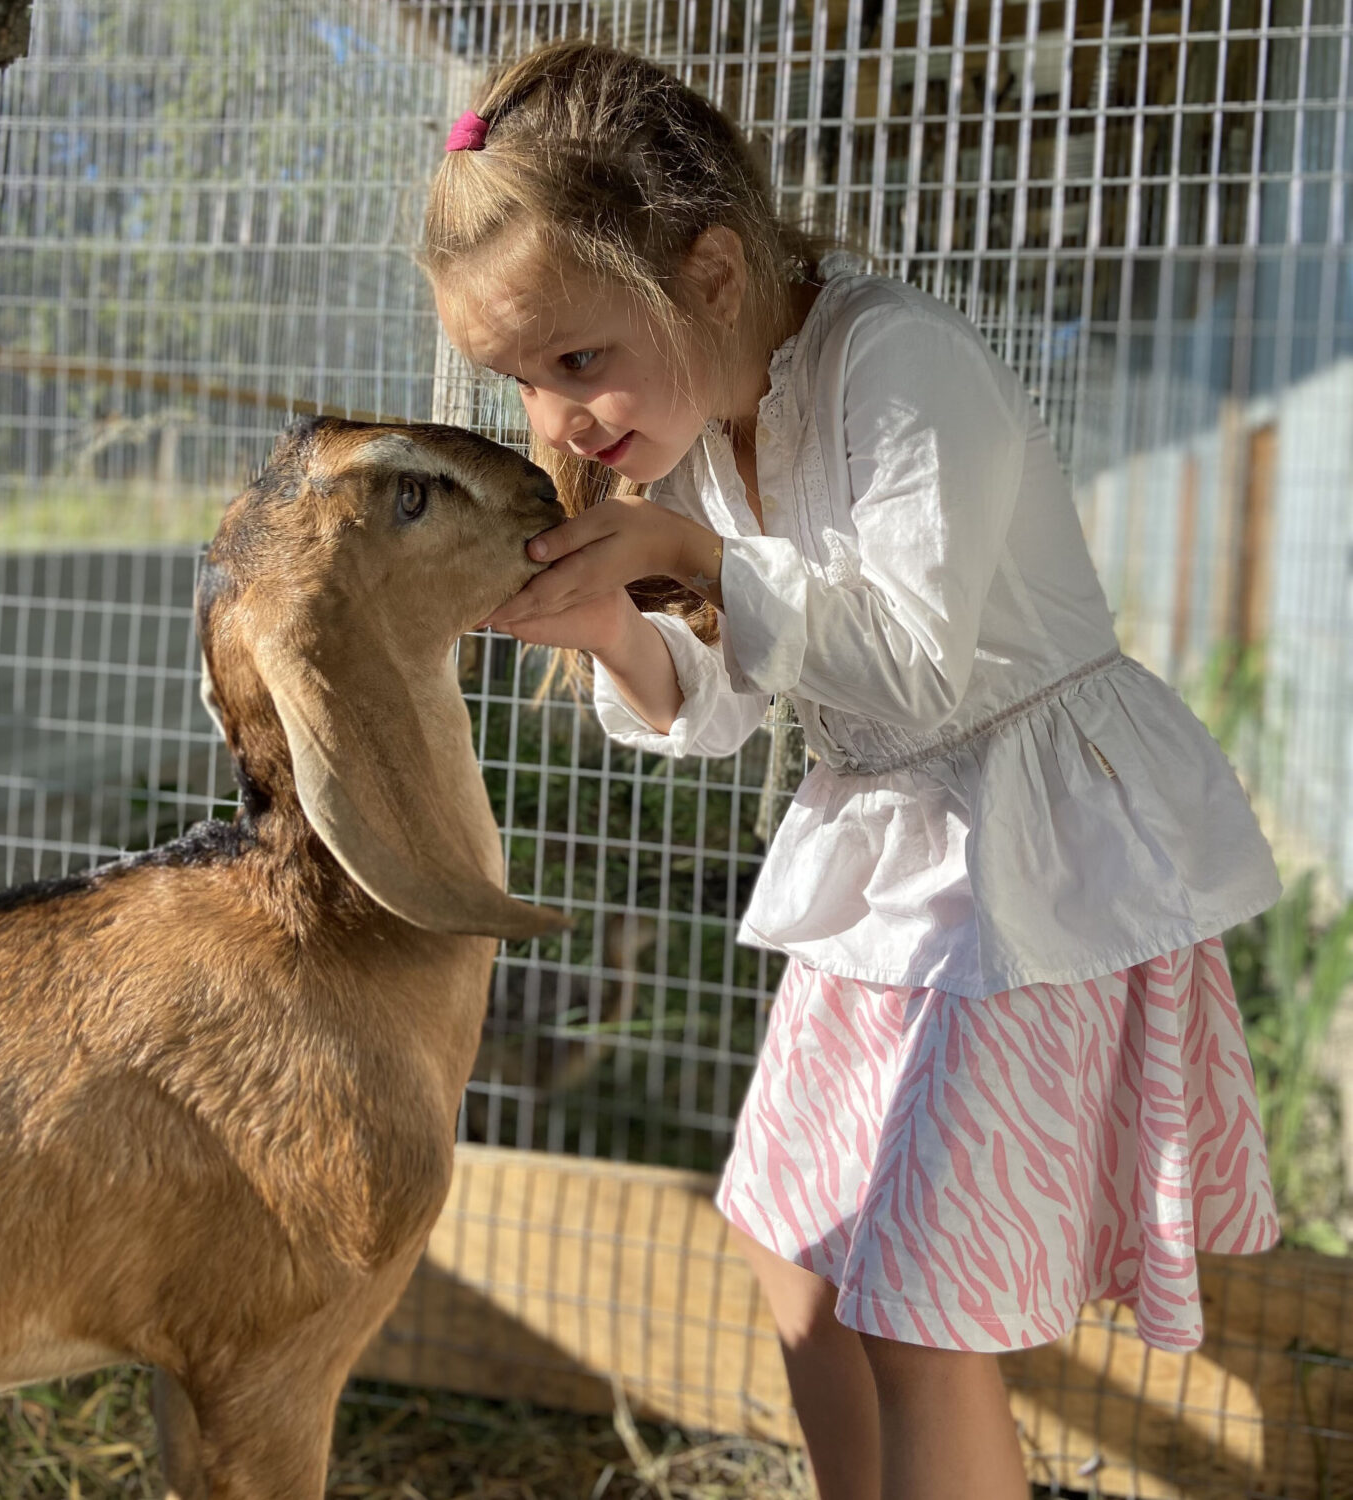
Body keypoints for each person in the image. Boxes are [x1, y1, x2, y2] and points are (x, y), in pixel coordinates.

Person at [422, 39, 1282, 1500]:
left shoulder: (891, 357)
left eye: (578, 358)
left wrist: (692, 558)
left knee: (920, 1320)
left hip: (1033, 866)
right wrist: (615, 631)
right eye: (523, 378)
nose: (560, 420)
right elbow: (719, 705)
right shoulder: (694, 426)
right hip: (896, 859)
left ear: (706, 273)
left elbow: (914, 665)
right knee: (792, 1241)